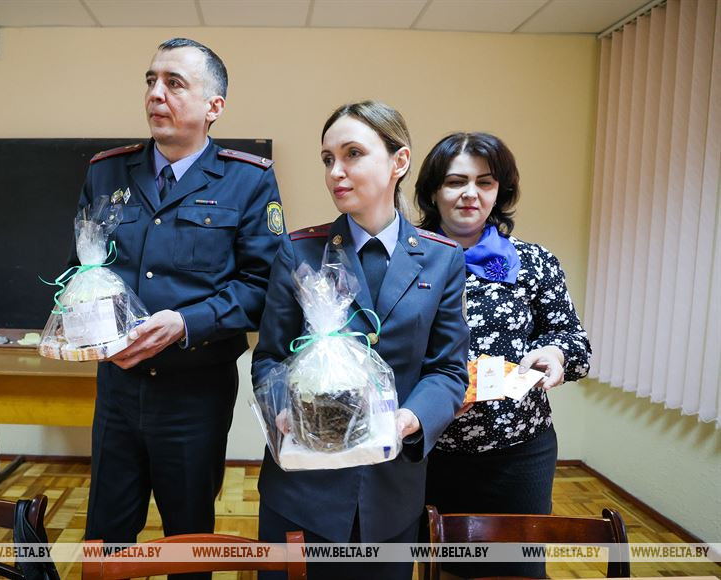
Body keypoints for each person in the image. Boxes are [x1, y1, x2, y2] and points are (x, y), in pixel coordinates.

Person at [76, 38, 283, 552]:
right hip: (119, 388)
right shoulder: (106, 171)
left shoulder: (248, 180)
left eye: (174, 83)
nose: (155, 94)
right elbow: (84, 268)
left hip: (196, 392)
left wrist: (187, 323)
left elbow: (262, 287)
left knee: (189, 539)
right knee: (105, 535)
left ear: (214, 106)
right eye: (151, 81)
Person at [252, 101, 470, 580]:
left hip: (391, 490)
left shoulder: (441, 259)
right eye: (327, 159)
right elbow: (269, 358)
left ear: (399, 161)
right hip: (303, 490)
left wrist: (410, 419)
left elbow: (448, 369)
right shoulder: (298, 251)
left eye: (352, 154)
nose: (336, 171)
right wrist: (285, 407)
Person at [416, 132, 591, 577]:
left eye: (485, 182)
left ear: (500, 191)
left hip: (519, 451)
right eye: (455, 181)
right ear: (433, 191)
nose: (470, 193)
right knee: (441, 568)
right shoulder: (403, 261)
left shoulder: (534, 261)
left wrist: (556, 353)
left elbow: (573, 340)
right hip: (430, 451)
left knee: (519, 570)